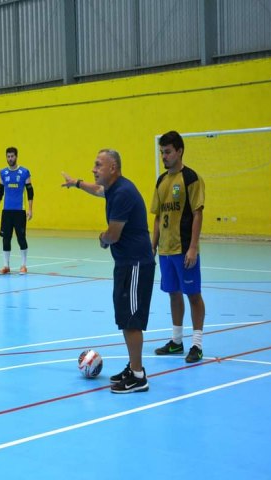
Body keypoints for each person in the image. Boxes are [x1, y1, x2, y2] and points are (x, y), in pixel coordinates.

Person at [62, 149, 155, 393]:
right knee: (125, 318)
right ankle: (133, 367)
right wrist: (77, 184)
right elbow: (99, 190)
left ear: (113, 168)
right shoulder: (114, 189)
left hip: (136, 264)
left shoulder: (123, 192)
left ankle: (138, 377)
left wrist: (101, 239)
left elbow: (113, 235)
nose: (93, 169)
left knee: (132, 320)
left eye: (98, 165)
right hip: (126, 263)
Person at [151, 131, 206, 363]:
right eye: (162, 152)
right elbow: (156, 217)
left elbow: (197, 213)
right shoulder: (161, 181)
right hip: (165, 250)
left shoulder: (191, 178)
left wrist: (193, 247)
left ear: (179, 151)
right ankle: (176, 341)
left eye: (168, 152)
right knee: (173, 294)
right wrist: (151, 247)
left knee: (193, 295)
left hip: (184, 249)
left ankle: (197, 344)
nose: (164, 156)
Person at [0, 146, 34, 275]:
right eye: (8, 156)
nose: (10, 158)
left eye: (12, 156)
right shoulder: (3, 173)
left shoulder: (24, 172)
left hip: (19, 211)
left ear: (16, 157)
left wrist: (30, 209)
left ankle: (23, 265)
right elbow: (0, 191)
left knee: (21, 238)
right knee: (6, 239)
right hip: (7, 212)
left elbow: (30, 191)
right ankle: (6, 266)